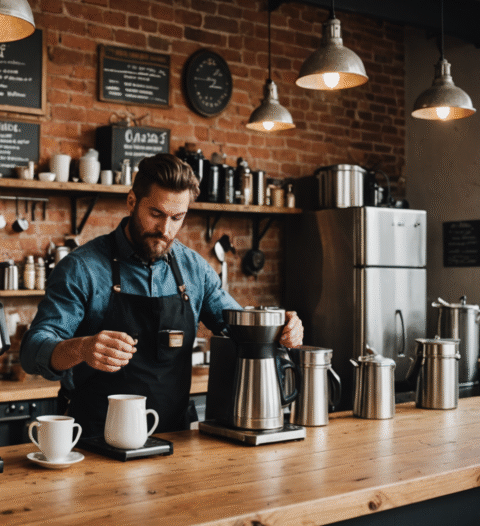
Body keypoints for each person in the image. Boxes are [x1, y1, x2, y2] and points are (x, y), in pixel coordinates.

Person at [19, 153, 304, 438]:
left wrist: (281, 328)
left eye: (177, 218)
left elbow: (241, 328)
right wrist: (81, 348)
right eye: (155, 214)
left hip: (174, 438)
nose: (165, 230)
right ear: (132, 202)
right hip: (95, 439)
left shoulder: (195, 270)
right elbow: (33, 351)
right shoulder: (82, 268)